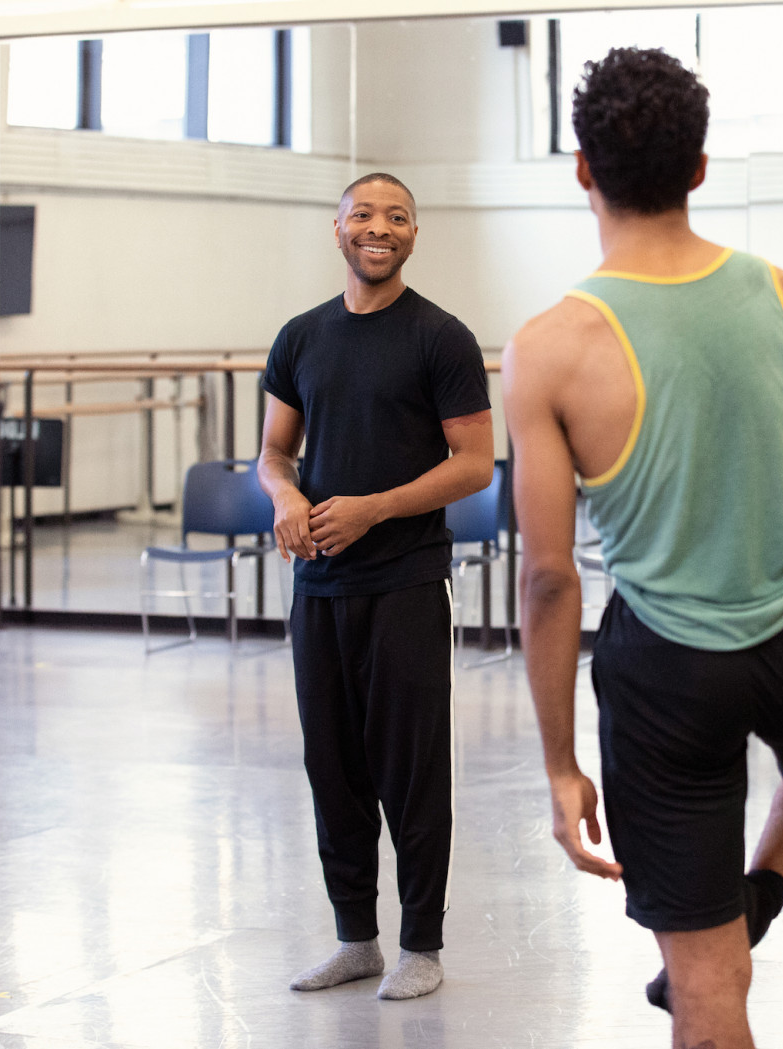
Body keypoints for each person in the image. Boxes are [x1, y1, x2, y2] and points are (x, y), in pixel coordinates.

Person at [502, 48, 783, 1049]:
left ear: (583, 170)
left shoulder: (549, 345)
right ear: (699, 167)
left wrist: (559, 765)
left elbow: (548, 574)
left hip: (667, 668)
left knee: (706, 986)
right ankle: (759, 891)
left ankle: (731, 920)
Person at [257, 172, 494, 1001]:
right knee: (336, 767)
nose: (379, 228)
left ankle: (421, 944)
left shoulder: (441, 337)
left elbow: (474, 463)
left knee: (412, 769)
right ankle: (355, 937)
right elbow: (274, 453)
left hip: (404, 583)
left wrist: (372, 511)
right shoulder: (301, 336)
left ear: (414, 235)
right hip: (320, 587)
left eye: (396, 216)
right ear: (339, 229)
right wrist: (288, 497)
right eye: (364, 214)